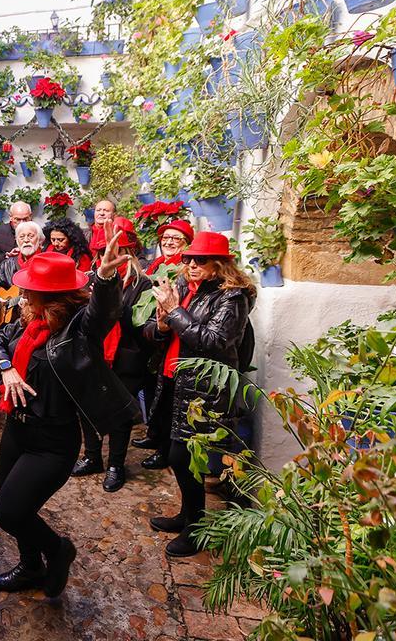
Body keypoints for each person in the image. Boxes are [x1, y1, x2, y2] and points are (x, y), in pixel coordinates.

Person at [0, 226, 141, 598]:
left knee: (9, 511)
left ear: (49, 294)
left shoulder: (78, 330)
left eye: (30, 289)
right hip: (17, 428)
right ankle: (30, 566)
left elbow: (102, 314)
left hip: (53, 440)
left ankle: (57, 550)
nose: (23, 293)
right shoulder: (28, 319)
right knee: (16, 504)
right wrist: (5, 366)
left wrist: (105, 278)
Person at [145, 231, 256, 557]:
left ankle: (195, 528)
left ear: (220, 264)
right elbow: (152, 332)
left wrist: (174, 312)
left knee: (186, 458)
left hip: (204, 389)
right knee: (177, 456)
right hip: (174, 380)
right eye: (189, 259)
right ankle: (187, 516)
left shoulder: (232, 298)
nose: (192, 265)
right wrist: (161, 325)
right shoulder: (183, 288)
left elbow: (213, 341)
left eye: (200, 260)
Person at [72, 217, 152, 492]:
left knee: (120, 415)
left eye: (113, 249)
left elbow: (140, 324)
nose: (104, 255)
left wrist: (109, 300)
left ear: (127, 252)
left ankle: (116, 464)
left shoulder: (142, 284)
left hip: (125, 357)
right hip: (94, 352)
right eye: (100, 251)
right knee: (86, 406)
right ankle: (92, 456)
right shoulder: (92, 277)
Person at [134, 219, 193, 461]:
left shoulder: (184, 271)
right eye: (165, 238)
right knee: (155, 393)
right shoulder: (156, 265)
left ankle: (163, 450)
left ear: (187, 244)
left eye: (175, 238)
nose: (168, 242)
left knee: (169, 400)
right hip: (155, 337)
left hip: (173, 342)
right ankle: (155, 434)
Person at [0, 221, 43, 327]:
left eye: (31, 236)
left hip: (39, 321)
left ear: (39, 240)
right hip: (11, 325)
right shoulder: (7, 264)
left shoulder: (47, 265)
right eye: (21, 237)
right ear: (17, 241)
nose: (26, 240)